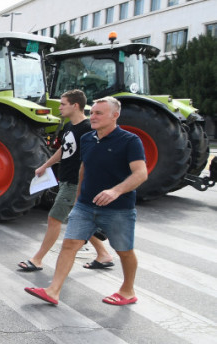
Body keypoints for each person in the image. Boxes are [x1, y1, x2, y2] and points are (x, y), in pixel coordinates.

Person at [25, 96, 147, 306]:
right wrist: (79, 199)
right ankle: (53, 291)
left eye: (99, 113)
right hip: (85, 206)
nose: (94, 116)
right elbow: (84, 168)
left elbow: (141, 173)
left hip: (118, 208)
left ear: (115, 115)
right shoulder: (88, 138)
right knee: (69, 244)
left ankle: (128, 291)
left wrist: (115, 191)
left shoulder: (130, 141)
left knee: (124, 251)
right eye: (93, 112)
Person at [17, 89, 113, 272]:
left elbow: (93, 159)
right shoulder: (70, 126)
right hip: (66, 180)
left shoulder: (88, 129)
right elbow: (64, 149)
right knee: (79, 218)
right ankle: (103, 254)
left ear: (75, 105)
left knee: (54, 218)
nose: (59, 107)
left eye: (63, 104)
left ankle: (37, 259)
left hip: (75, 183)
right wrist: (45, 166)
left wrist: (84, 186)